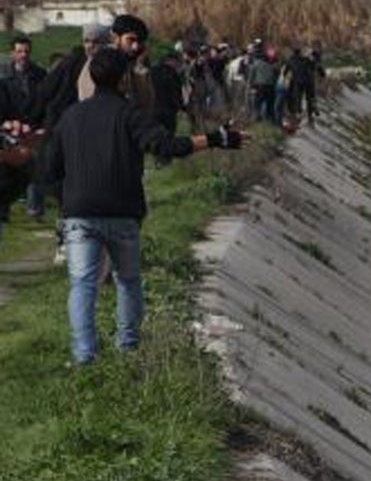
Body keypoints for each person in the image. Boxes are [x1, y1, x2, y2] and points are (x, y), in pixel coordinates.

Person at [42, 48, 241, 364]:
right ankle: (128, 348)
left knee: (82, 285)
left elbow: (49, 169)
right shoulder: (129, 113)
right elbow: (167, 146)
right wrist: (216, 138)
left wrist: (67, 202)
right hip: (123, 212)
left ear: (91, 76)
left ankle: (84, 356)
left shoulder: (71, 116)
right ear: (123, 78)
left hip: (79, 214)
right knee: (128, 281)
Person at [2, 37, 47, 219]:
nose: (23, 55)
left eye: (26, 51)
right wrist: (9, 123)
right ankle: (3, 210)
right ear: (13, 53)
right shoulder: (4, 79)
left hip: (34, 128)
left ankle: (34, 210)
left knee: (35, 167)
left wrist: (41, 126)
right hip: (10, 129)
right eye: (19, 51)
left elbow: (45, 101)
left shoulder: (41, 75)